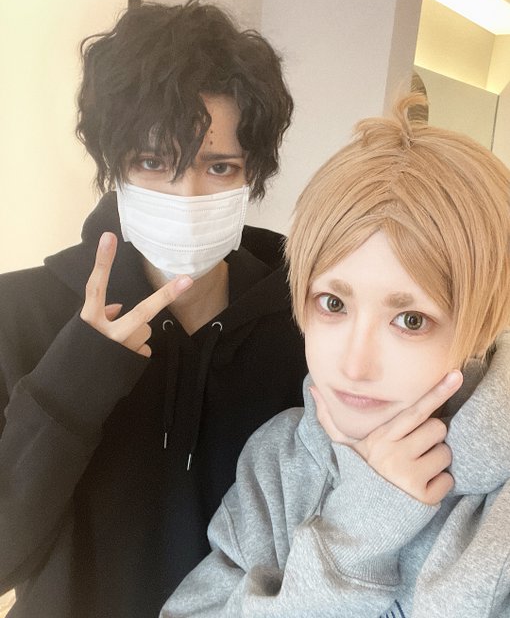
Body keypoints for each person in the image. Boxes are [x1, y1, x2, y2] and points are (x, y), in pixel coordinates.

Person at [0, 0, 307, 618]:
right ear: (113, 166)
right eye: (153, 162)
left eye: (219, 166)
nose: (186, 193)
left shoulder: (304, 324)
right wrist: (75, 380)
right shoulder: (20, 313)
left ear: (251, 174)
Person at [161, 93, 510, 618]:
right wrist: (357, 535)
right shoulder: (280, 459)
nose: (353, 365)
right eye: (333, 303)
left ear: (482, 322)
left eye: (410, 320)